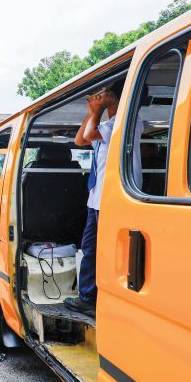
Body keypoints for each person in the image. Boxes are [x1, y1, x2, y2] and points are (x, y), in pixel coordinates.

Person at [65, 80, 131, 317]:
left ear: (113, 97)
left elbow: (90, 134)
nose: (97, 98)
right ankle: (90, 296)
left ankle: (91, 298)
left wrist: (97, 110)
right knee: (91, 249)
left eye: (101, 95)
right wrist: (92, 112)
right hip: (97, 198)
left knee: (99, 250)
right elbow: (80, 140)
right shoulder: (107, 124)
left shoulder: (123, 122)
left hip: (108, 199)